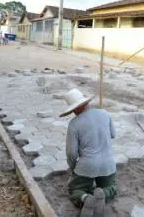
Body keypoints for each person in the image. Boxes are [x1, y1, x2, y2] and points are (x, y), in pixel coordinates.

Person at [60, 89, 117, 217]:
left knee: (75, 189)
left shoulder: (74, 124)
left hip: (87, 166)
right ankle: (104, 195)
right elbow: (113, 134)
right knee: (112, 187)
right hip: (108, 164)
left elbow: (71, 153)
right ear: (86, 102)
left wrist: (74, 168)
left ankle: (86, 198)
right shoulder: (105, 114)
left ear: (74, 109)